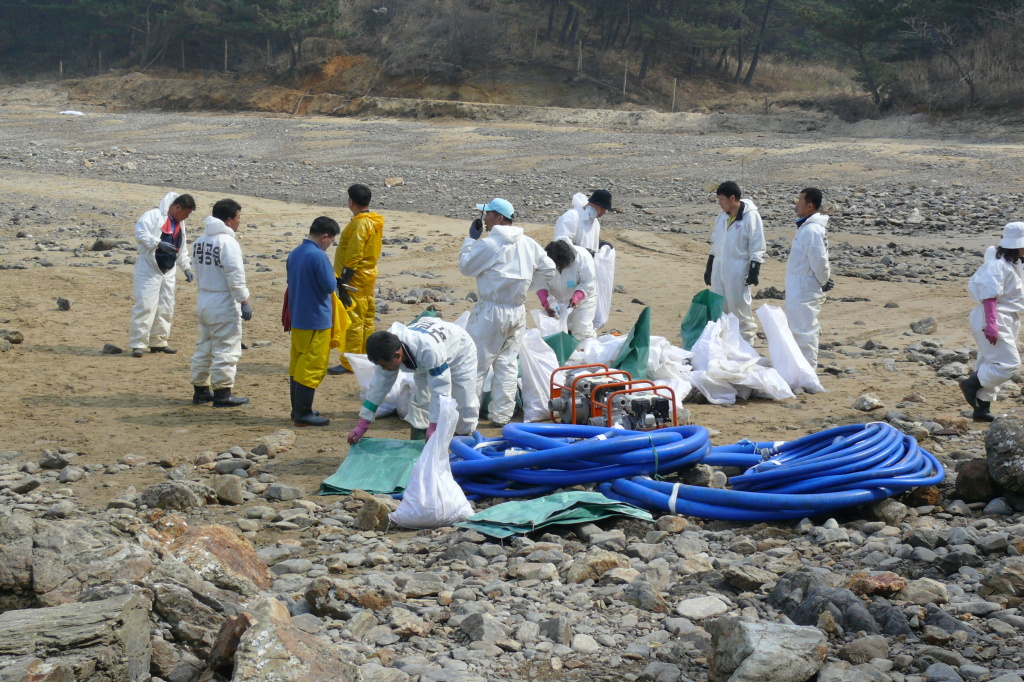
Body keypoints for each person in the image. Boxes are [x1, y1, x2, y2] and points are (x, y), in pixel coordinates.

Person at [460, 198, 557, 426]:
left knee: (477, 365)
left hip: (490, 312)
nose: (484, 220)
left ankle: (467, 421)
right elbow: (549, 269)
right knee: (507, 363)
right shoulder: (528, 243)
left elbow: (466, 267)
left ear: (499, 218)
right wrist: (525, 286)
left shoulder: (490, 244)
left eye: (488, 215)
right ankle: (501, 416)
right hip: (516, 310)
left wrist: (470, 240)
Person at [347, 317, 479, 444]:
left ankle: (462, 439)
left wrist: (434, 424)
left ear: (398, 355)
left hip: (459, 351)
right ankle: (418, 442)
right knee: (421, 398)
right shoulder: (385, 347)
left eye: (384, 365)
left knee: (464, 398)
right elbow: (378, 387)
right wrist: (363, 422)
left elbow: (441, 390)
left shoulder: (428, 351)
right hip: (423, 359)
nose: (384, 369)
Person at [188, 199, 251, 407]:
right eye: (238, 217)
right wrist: (244, 300)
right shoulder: (227, 243)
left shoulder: (199, 241)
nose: (239, 221)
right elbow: (234, 274)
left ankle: (200, 390)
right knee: (226, 347)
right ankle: (223, 394)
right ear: (230, 220)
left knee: (204, 346)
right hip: (222, 301)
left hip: (204, 298)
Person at [960, 222, 1024, 422]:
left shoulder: (1013, 264)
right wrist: (991, 323)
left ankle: (981, 409)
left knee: (990, 361)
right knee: (1007, 363)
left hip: (1006, 316)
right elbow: (989, 295)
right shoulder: (997, 265)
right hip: (993, 315)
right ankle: (971, 383)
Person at [286, 217, 342, 427]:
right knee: (312, 367)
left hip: (298, 317)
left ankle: (297, 410)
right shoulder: (319, 256)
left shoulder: (295, 253)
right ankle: (303, 413)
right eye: (331, 241)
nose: (330, 245)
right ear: (325, 236)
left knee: (298, 364)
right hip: (316, 320)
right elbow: (329, 286)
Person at [129, 192, 195, 358]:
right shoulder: (153, 216)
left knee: (166, 306)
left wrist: (186, 267)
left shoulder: (179, 224)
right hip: (149, 267)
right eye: (186, 213)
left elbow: (181, 247)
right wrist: (158, 243)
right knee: (145, 305)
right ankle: (138, 343)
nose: (186, 217)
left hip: (168, 269)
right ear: (177, 207)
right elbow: (140, 234)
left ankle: (158, 341)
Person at [329, 184, 385, 375]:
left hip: (356, 280)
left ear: (351, 201)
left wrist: (343, 281)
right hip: (368, 276)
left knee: (353, 321)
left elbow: (354, 254)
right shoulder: (374, 221)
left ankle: (349, 362)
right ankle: (366, 356)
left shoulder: (360, 224)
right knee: (366, 319)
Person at [704, 181, 766, 344]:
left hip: (738, 268)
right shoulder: (722, 217)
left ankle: (746, 342)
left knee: (739, 306)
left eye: (721, 200)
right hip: (720, 267)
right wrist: (710, 265)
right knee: (720, 307)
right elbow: (716, 242)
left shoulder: (750, 217)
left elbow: (757, 244)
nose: (719, 203)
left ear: (732, 198)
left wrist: (754, 268)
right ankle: (725, 343)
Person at [784, 187, 834, 368]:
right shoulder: (806, 229)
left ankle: (807, 374)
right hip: (799, 288)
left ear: (810, 206)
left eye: (800, 201)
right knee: (797, 332)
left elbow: (819, 261)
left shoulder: (812, 231)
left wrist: (823, 281)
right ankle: (798, 371)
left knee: (805, 333)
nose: (797, 204)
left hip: (805, 289)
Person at [537, 240, 598, 340]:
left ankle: (586, 353)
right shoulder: (543, 261)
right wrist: (545, 302)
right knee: (559, 331)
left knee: (582, 330)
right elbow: (540, 283)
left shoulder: (583, 257)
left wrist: (576, 297)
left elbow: (588, 282)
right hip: (557, 301)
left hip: (583, 300)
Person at [554, 189, 612, 254]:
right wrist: (583, 251)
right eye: (603, 208)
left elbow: (587, 239)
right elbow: (560, 244)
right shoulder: (572, 217)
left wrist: (601, 243)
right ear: (594, 204)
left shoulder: (595, 222)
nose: (604, 212)